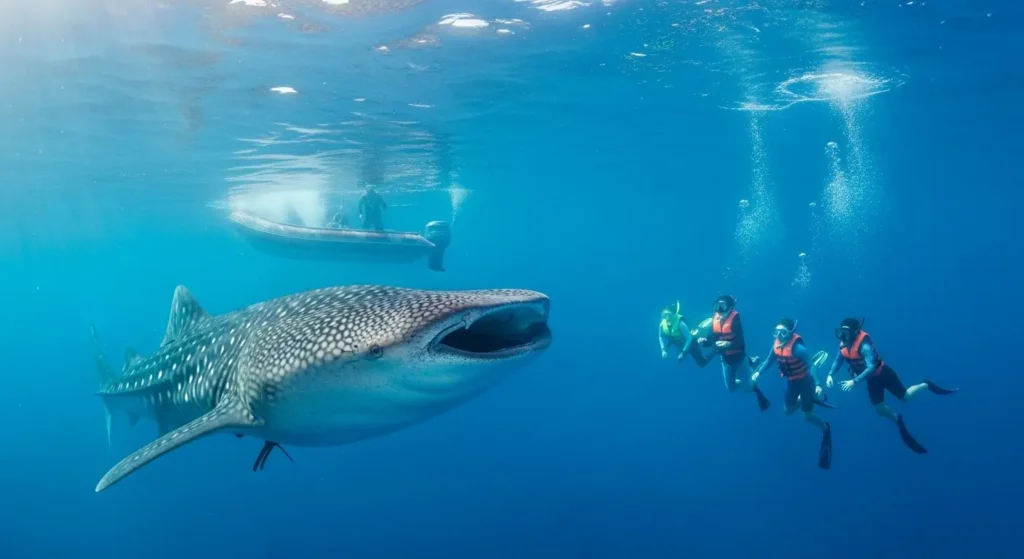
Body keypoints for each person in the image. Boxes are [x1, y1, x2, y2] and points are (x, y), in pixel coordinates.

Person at [826, 318, 958, 454]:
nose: (842, 336)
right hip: (871, 381)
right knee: (879, 409)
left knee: (905, 398)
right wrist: (830, 374)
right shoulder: (843, 346)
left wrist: (854, 381)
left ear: (854, 333)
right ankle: (897, 419)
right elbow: (838, 360)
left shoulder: (864, 346)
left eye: (846, 333)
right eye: (840, 332)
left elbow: (871, 367)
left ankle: (925, 385)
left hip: (884, 374)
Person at [751, 319, 833, 469]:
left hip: (806, 382)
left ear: (790, 333)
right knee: (787, 411)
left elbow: (811, 364)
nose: (779, 335)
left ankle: (825, 428)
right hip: (792, 382)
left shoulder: (798, 348)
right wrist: (758, 373)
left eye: (783, 332)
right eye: (776, 332)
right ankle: (806, 399)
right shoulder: (776, 345)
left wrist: (818, 384)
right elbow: (769, 360)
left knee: (806, 416)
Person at [697, 294, 771, 411]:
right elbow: (711, 339)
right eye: (717, 306)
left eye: (723, 306)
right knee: (730, 389)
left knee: (747, 389)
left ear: (730, 308)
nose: (719, 309)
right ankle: (747, 369)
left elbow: (741, 343)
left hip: (739, 358)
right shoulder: (714, 319)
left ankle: (751, 366)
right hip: (725, 359)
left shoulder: (735, 319)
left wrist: (729, 344)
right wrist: (704, 341)